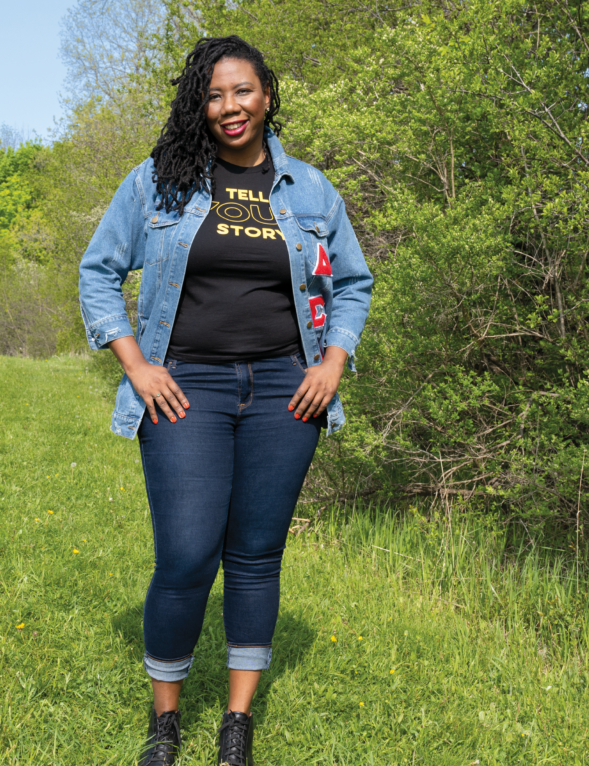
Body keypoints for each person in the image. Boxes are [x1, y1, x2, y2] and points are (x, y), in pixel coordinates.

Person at [78, 34, 373, 766]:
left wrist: (334, 362)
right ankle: (166, 720)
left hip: (284, 390)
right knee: (184, 555)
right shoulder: (160, 183)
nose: (229, 107)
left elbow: (353, 285)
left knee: (255, 556)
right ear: (198, 107)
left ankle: (235, 724)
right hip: (187, 390)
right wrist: (138, 367)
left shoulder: (310, 191)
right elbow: (97, 272)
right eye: (212, 96)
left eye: (241, 91)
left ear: (267, 95)